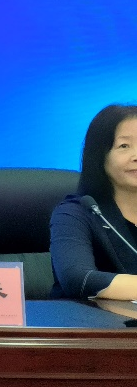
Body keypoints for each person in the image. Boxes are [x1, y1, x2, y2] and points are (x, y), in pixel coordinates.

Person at [50, 104, 137, 299]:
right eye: (124, 146)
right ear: (99, 155)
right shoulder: (75, 213)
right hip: (90, 317)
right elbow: (77, 278)